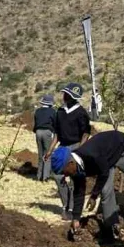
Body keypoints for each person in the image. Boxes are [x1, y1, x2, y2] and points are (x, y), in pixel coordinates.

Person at [50, 130, 124, 244]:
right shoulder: (75, 169)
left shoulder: (91, 155)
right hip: (106, 160)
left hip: (121, 148)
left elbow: (104, 173)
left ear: (70, 163)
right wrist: (76, 218)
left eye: (64, 171)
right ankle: (110, 231)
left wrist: (94, 196)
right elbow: (79, 192)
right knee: (105, 191)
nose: (65, 175)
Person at [44, 82, 93, 218]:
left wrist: (80, 150)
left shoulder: (81, 113)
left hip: (76, 146)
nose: (64, 96)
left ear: (73, 97)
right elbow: (57, 133)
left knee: (74, 179)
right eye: (64, 93)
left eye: (67, 94)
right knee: (58, 176)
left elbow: (86, 133)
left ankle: (72, 210)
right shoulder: (59, 111)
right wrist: (50, 150)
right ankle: (66, 204)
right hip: (62, 147)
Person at [33, 94, 58, 181]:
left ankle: (39, 175)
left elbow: (35, 123)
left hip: (38, 132)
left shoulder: (37, 111)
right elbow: (55, 124)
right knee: (48, 154)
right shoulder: (52, 112)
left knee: (40, 154)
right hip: (47, 132)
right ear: (50, 103)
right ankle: (45, 176)